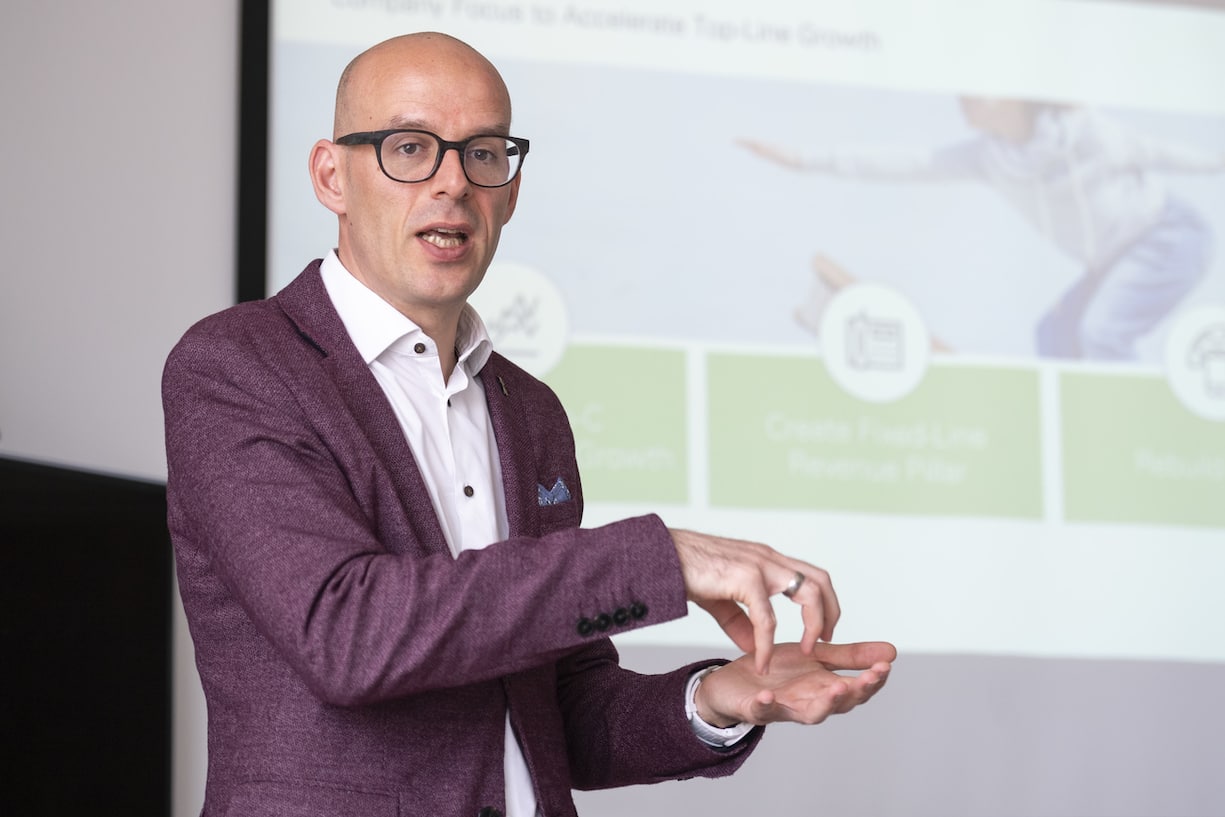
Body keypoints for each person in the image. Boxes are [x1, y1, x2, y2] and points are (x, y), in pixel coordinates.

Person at [163, 32, 895, 817]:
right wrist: (657, 557)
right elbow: (347, 633)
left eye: (482, 154)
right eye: (410, 148)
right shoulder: (237, 366)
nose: (451, 183)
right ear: (330, 175)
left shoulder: (529, 408)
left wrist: (715, 697)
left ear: (509, 193)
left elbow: (558, 709)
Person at [742, 96, 1223, 360]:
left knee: (1099, 334)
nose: (965, 97)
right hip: (1114, 260)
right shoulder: (989, 159)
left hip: (1170, 238)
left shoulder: (1085, 132)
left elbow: (1161, 153)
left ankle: (1138, 428)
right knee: (1054, 336)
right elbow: (906, 162)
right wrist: (803, 161)